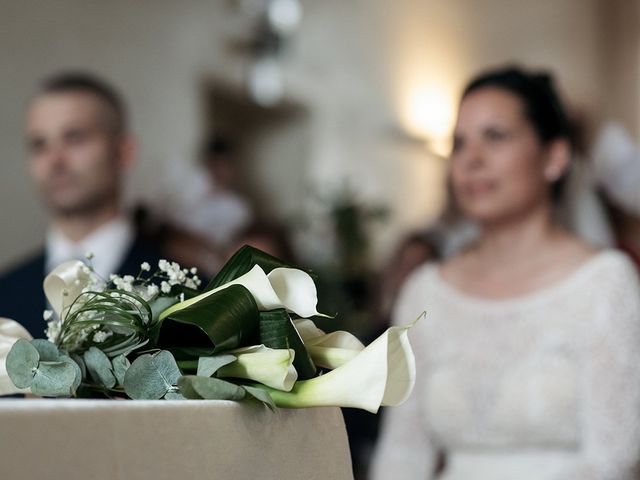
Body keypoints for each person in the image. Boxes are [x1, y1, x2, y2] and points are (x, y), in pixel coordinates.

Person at [371, 66, 640, 479]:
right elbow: (402, 455)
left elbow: (614, 458)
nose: (471, 159)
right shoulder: (425, 292)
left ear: (554, 157)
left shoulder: (605, 283)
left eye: (495, 137)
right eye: (459, 144)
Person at [0, 72, 164, 338]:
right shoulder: (5, 292)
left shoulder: (188, 291)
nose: (54, 160)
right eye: (39, 145)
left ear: (124, 152)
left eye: (75, 138)